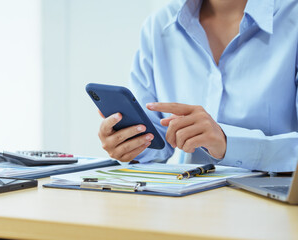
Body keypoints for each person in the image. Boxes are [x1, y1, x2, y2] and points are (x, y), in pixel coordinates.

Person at [98, 0, 298, 172]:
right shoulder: (159, 25)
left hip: (273, 205)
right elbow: (154, 148)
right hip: (185, 201)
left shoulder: (293, 19)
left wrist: (229, 143)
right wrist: (127, 144)